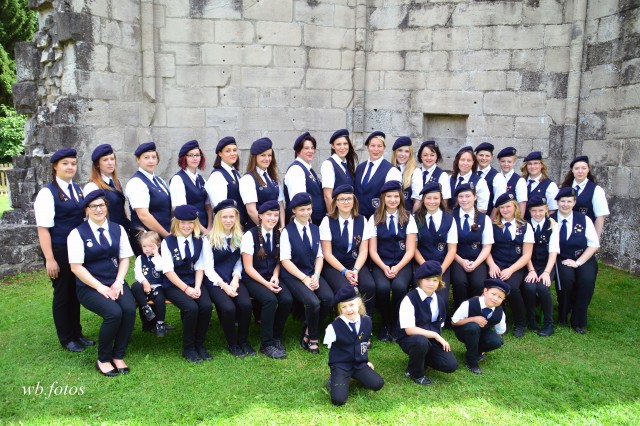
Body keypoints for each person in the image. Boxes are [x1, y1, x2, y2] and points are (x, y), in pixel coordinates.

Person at [68, 190, 135, 376]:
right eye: (93, 206)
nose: (98, 209)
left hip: (115, 282)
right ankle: (103, 359)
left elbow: (124, 259)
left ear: (107, 207)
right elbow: (76, 267)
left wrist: (119, 282)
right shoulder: (76, 234)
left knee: (129, 309)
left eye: (102, 205)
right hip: (89, 287)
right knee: (113, 313)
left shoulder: (118, 229)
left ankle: (118, 355)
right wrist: (100, 287)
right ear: (87, 210)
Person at [34, 148, 92, 353]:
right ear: (55, 166)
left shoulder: (76, 189)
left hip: (76, 249)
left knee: (74, 291)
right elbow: (43, 229)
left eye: (73, 163)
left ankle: (77, 333)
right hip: (58, 250)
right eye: (65, 163)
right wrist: (50, 259)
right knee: (62, 293)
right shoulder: (47, 193)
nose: (70, 167)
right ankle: (66, 338)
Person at [280, 193, 333, 355]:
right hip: (293, 276)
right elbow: (285, 260)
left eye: (309, 209)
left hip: (312, 273)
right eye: (302, 210)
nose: (306, 213)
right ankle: (314, 339)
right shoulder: (286, 232)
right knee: (313, 303)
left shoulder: (316, 229)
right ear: (294, 211)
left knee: (329, 298)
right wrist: (304, 279)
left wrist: (316, 275)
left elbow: (319, 256)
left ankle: (308, 329)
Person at [241, 200, 292, 359]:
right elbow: (248, 267)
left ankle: (276, 336)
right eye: (269, 214)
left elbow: (280, 261)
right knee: (270, 300)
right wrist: (266, 284)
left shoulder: (280, 233)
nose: (273, 218)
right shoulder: (250, 235)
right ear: (260, 216)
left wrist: (276, 276)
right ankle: (266, 344)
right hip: (253, 278)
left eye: (276, 215)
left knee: (287, 299)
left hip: (272, 276)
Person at [203, 199, 255, 358]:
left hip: (233, 278)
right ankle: (232, 343)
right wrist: (224, 286)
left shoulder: (240, 236)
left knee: (246, 305)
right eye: (224, 217)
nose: (228, 220)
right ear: (218, 218)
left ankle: (243, 340)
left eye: (231, 217)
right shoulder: (209, 239)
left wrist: (235, 278)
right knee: (228, 308)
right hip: (215, 281)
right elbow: (208, 268)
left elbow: (239, 262)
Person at [161, 205, 213, 362]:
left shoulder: (199, 241)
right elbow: (168, 271)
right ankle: (188, 348)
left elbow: (200, 266)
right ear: (176, 223)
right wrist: (186, 289)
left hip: (193, 281)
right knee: (191, 308)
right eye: (183, 222)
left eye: (190, 222)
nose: (187, 226)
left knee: (206, 306)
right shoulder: (167, 242)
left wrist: (197, 287)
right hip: (173, 284)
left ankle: (200, 344)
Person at [368, 180, 417, 342]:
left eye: (396, 196)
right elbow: (372, 250)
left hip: (401, 263)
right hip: (381, 263)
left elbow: (410, 250)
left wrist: (397, 267)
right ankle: (385, 323)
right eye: (389, 196)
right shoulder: (374, 218)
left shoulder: (408, 217)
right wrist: (383, 267)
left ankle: (397, 323)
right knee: (381, 288)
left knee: (399, 287)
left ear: (401, 198)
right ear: (383, 198)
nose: (393, 200)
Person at [397, 261, 458, 385]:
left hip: (430, 339)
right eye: (427, 280)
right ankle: (415, 372)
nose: (431, 284)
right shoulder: (409, 299)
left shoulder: (439, 300)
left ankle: (422, 358)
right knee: (421, 342)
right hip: (411, 338)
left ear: (439, 282)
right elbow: (409, 329)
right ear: (420, 280)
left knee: (451, 365)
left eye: (435, 280)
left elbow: (438, 324)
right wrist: (435, 335)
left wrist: (436, 338)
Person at [320, 184, 376, 316]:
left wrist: (355, 270)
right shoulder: (326, 221)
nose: (346, 202)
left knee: (369, 286)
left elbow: (363, 251)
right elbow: (327, 253)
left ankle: (365, 321)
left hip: (355, 263)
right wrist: (344, 272)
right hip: (334, 265)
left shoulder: (362, 220)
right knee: (344, 288)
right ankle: (342, 323)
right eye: (342, 199)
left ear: (354, 201)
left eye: (349, 199)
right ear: (336, 202)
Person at [324, 285, 384, 406]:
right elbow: (332, 349)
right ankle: (335, 377)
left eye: (351, 305)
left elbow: (363, 344)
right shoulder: (333, 327)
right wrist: (335, 368)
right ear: (340, 309)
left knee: (377, 384)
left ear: (358, 304)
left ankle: (357, 375)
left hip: (359, 364)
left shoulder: (367, 321)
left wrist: (366, 361)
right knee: (338, 400)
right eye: (344, 307)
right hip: (341, 365)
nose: (349, 310)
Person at [552, 187, 600, 334]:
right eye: (562, 201)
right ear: (557, 202)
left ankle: (578, 320)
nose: (565, 204)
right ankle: (563, 313)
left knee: (586, 281)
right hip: (561, 257)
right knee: (566, 280)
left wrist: (578, 262)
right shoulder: (551, 220)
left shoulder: (584, 219)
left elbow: (593, 244)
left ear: (574, 203)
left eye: (569, 201)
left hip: (583, 257)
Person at [485, 193, 534, 337]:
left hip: (515, 266)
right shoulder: (492, 225)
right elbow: (486, 248)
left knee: (512, 287)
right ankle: (496, 319)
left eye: (508, 206)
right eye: (502, 207)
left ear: (515, 207)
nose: (505, 210)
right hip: (496, 263)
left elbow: (526, 255)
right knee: (493, 286)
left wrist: (511, 270)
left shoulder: (525, 226)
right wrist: (492, 265)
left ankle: (520, 322)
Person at [451, 279, 511, 374]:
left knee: (498, 341)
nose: (495, 298)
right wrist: (473, 319)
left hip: (482, 332)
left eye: (500, 297)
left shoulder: (500, 312)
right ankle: (472, 361)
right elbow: (454, 322)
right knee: (473, 327)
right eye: (493, 294)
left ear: (503, 300)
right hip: (465, 330)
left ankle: (477, 351)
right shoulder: (469, 303)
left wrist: (488, 344)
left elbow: (500, 332)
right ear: (485, 291)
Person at [450, 183, 494, 311]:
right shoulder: (451, 217)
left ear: (475, 197)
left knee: (478, 283)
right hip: (457, 259)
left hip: (477, 259)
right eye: (461, 196)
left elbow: (487, 246)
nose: (464, 200)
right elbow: (450, 246)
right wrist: (461, 261)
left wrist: (475, 263)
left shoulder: (484, 219)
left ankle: (474, 311)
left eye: (468, 196)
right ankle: (459, 313)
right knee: (460, 282)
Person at [414, 182, 457, 304]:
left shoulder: (449, 219)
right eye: (428, 198)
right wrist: (425, 266)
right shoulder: (415, 218)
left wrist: (440, 270)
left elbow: (452, 249)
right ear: (423, 200)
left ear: (441, 199)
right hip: (421, 263)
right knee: (420, 296)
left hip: (442, 264)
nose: (432, 201)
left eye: (436, 198)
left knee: (441, 299)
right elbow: (414, 248)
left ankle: (440, 322)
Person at [125, 142, 171, 255]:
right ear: (138, 160)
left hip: (162, 236)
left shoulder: (159, 181)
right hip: (147, 240)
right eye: (146, 158)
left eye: (154, 157)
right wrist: (166, 235)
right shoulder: (136, 182)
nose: (151, 161)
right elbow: (144, 216)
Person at [524, 195, 559, 337]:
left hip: (546, 265)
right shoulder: (525, 225)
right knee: (529, 287)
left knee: (543, 288)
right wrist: (531, 270)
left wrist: (546, 272)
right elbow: (526, 253)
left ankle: (548, 324)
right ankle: (531, 320)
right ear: (530, 211)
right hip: (530, 264)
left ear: (546, 210)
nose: (537, 214)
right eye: (534, 211)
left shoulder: (553, 225)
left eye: (540, 210)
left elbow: (553, 252)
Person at [130, 231, 172, 337]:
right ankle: (146, 308)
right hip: (144, 286)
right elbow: (137, 272)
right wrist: (144, 282)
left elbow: (160, 268)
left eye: (150, 246)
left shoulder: (161, 257)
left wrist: (156, 254)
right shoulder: (140, 258)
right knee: (135, 287)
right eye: (144, 246)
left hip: (158, 286)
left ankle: (160, 323)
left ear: (158, 245)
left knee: (160, 299)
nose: (147, 249)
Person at [239, 137, 285, 229]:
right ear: (254, 157)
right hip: (258, 229)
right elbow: (251, 210)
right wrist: (266, 228)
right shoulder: (248, 179)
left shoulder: (273, 177)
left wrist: (282, 224)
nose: (267, 159)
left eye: (269, 155)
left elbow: (280, 203)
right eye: (263, 155)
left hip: (275, 228)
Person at [354, 131, 402, 218]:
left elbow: (393, 201)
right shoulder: (360, 168)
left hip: (379, 220)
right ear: (368, 147)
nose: (376, 149)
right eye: (372, 145)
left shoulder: (392, 171)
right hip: (357, 218)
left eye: (379, 146)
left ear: (384, 148)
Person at [559, 155, 609, 239]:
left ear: (588, 169)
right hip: (564, 234)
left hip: (585, 235)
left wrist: (595, 240)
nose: (580, 171)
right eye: (577, 168)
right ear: (572, 170)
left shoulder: (596, 190)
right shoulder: (563, 188)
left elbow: (600, 217)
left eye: (583, 168)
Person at [83, 144, 130, 233]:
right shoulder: (92, 186)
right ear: (97, 164)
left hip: (123, 230)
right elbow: (92, 216)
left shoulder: (116, 182)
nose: (110, 163)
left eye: (112, 159)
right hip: (108, 233)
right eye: (105, 160)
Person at [205, 136, 248, 227]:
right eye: (228, 151)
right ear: (220, 153)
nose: (233, 153)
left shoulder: (235, 173)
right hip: (229, 228)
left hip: (239, 226)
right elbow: (222, 209)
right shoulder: (217, 176)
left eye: (234, 150)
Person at [170, 140, 212, 231]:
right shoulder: (178, 179)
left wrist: (209, 228)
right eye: (191, 155)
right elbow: (183, 212)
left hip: (205, 229)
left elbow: (208, 207)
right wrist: (204, 232)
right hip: (189, 230)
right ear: (184, 158)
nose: (195, 158)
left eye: (197, 155)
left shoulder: (202, 179)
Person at [284, 132, 326, 224]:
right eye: (306, 148)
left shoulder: (308, 169)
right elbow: (299, 201)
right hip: (305, 224)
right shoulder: (296, 169)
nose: (310, 151)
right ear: (298, 151)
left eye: (312, 148)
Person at [321, 129, 358, 211]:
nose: (342, 147)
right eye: (338, 144)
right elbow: (327, 196)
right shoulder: (328, 164)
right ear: (333, 146)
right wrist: (333, 218)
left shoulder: (347, 164)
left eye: (345, 144)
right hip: (337, 215)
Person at [411, 140, 451, 212]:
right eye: (425, 155)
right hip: (418, 214)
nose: (429, 158)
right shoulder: (416, 173)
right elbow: (416, 199)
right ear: (421, 157)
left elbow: (444, 201)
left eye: (432, 155)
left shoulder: (442, 175)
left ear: (436, 157)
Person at [448, 145, 490, 212]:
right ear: (457, 161)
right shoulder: (449, 179)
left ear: (473, 162)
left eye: (469, 160)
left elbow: (482, 209)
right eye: (462, 160)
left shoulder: (480, 182)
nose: (465, 163)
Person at [520, 151, 558, 219]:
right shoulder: (521, 182)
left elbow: (552, 210)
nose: (532, 166)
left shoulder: (550, 185)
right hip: (522, 225)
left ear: (542, 165)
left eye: (536, 163)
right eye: (529, 164)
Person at [474, 142, 507, 218]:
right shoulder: (471, 173)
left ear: (492, 157)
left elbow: (498, 204)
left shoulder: (498, 177)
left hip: (487, 218)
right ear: (476, 156)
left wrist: (490, 222)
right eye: (481, 155)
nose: (484, 158)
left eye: (487, 156)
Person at [497, 146, 527, 214]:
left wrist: (519, 222)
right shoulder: (495, 178)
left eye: (509, 162)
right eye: (503, 161)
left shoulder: (519, 181)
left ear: (514, 162)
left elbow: (522, 204)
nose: (506, 164)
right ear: (499, 161)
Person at [390, 136, 418, 206]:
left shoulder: (415, 172)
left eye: (407, 151)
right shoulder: (388, 169)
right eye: (400, 150)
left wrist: (410, 216)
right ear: (395, 152)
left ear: (410, 154)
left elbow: (417, 200)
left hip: (407, 214)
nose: (403, 154)